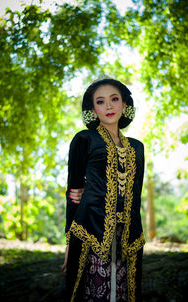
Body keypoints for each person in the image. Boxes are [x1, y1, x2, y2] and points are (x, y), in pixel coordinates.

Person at [61, 77, 145, 302]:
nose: (108, 106)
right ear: (92, 109)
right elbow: (74, 193)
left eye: (114, 99)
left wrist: (138, 233)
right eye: (100, 101)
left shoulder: (137, 147)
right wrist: (69, 243)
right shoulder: (84, 139)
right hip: (90, 230)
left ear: (124, 105)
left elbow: (136, 195)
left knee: (124, 294)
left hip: (129, 235)